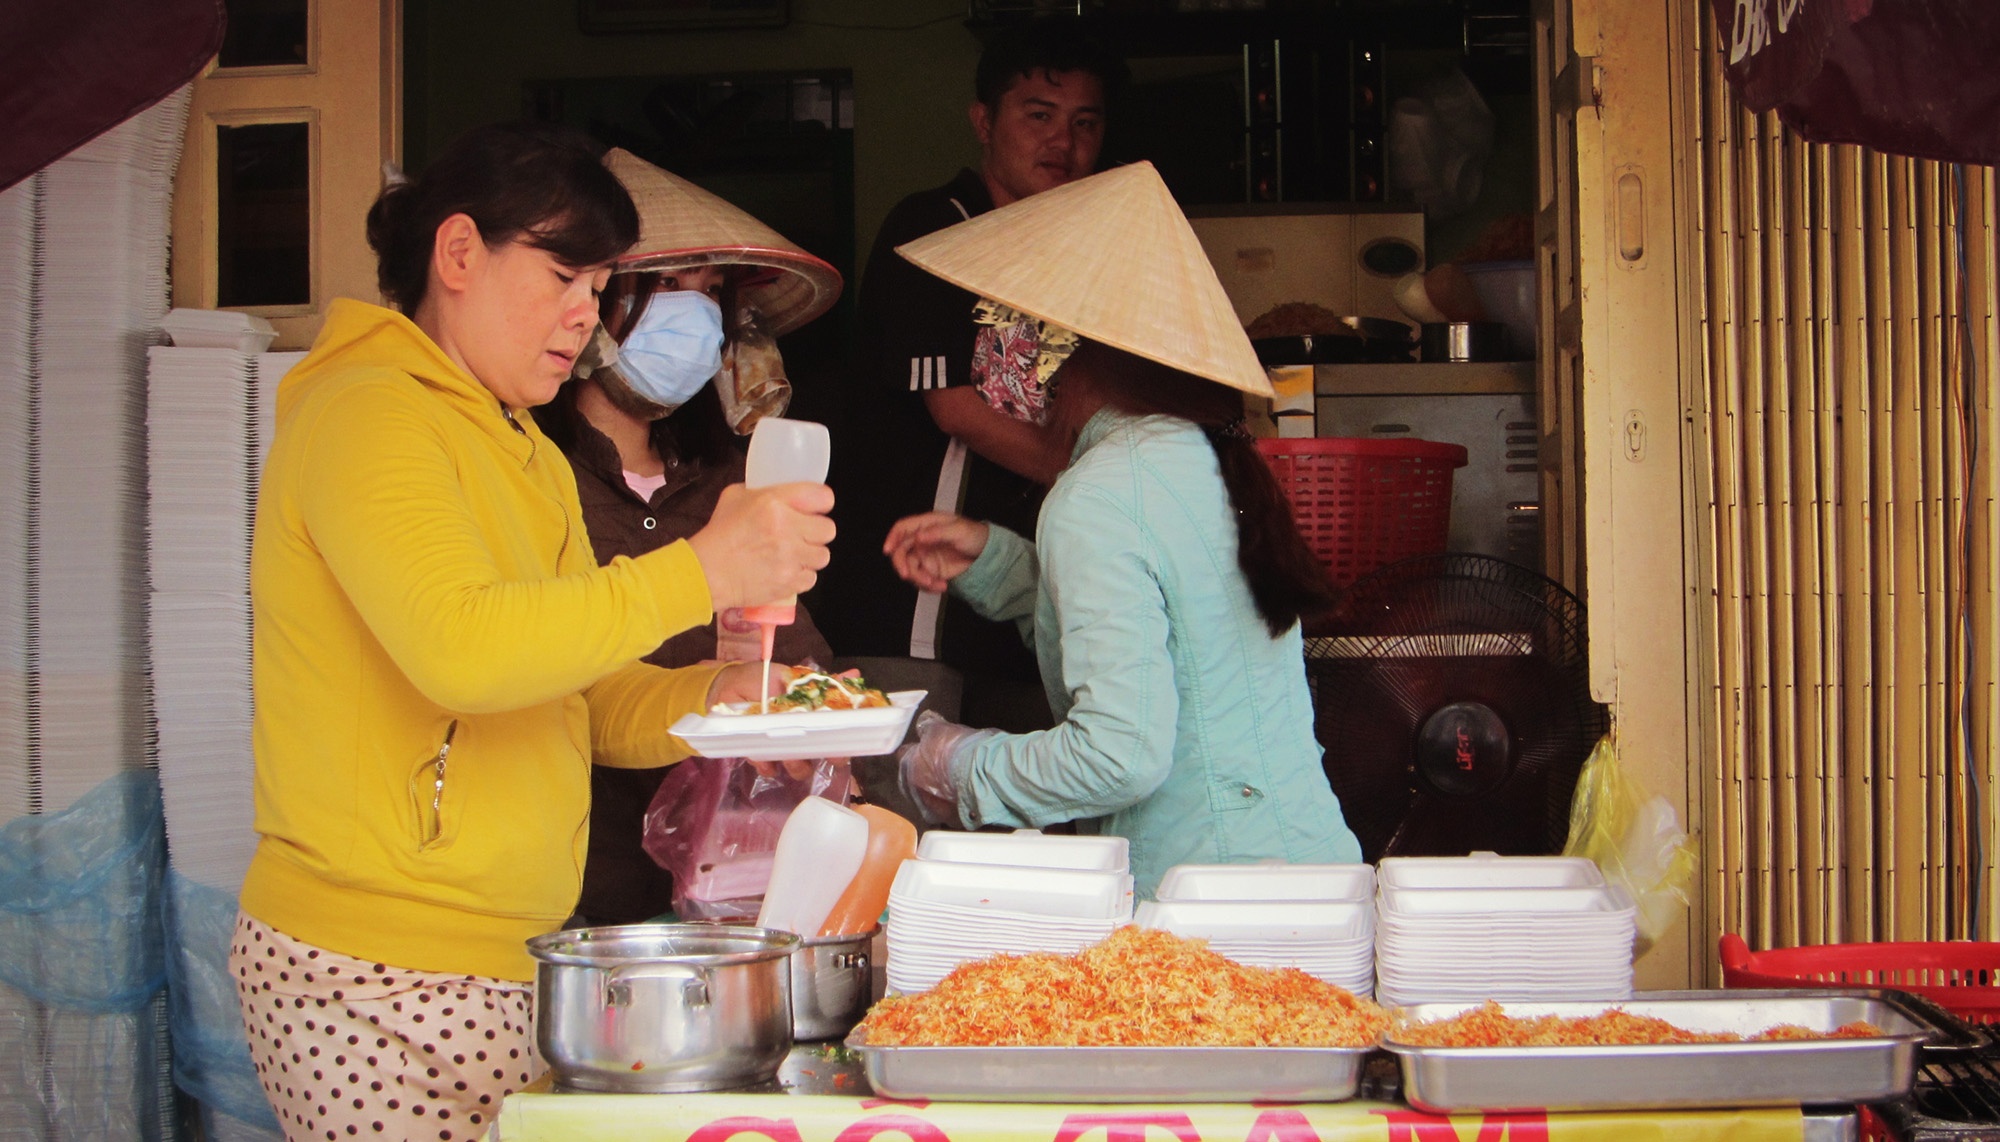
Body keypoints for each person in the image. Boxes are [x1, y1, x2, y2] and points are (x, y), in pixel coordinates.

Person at [229, 122, 833, 1141]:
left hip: (514, 956)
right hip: (372, 967)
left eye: (596, 289)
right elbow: (462, 648)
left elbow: (580, 697)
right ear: (458, 252)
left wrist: (720, 697)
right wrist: (702, 570)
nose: (581, 316)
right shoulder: (369, 411)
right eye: (561, 277)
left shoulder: (526, 451)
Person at [884, 162, 1364, 898]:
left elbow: (1119, 757)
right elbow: (1172, 624)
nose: (1000, 344)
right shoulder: (1199, 454)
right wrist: (998, 562)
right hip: (1310, 874)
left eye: (1013, 322)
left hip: (1203, 902)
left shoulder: (1096, 495)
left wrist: (956, 766)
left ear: (1061, 346)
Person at [537, 148, 841, 926]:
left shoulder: (728, 481)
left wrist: (818, 712)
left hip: (720, 885)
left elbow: (790, 649)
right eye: (669, 284)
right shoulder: (533, 475)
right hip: (574, 889)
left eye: (709, 292)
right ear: (591, 300)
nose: (696, 314)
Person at [822, 23, 1126, 733]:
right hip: (913, 600)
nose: (1063, 142)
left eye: (1085, 123)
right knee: (906, 795)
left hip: (1025, 600)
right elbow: (955, 408)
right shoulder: (935, 227)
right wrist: (1103, 483)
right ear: (984, 122)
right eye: (1039, 115)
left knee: (1026, 794)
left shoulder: (1083, 255)